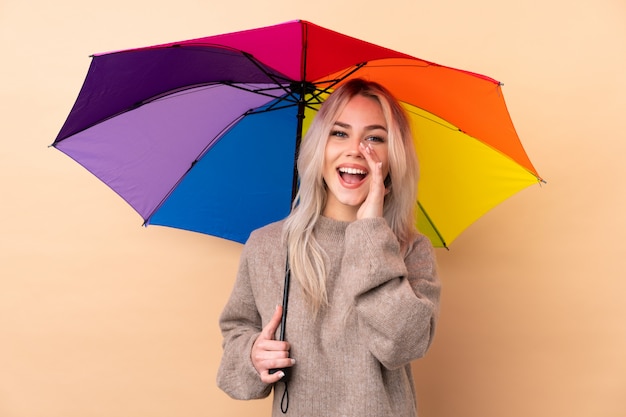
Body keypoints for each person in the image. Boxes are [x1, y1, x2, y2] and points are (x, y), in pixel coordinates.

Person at [217, 78, 441, 417]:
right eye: (339, 133)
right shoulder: (267, 246)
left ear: (393, 158)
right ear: (318, 148)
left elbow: (405, 344)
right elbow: (236, 338)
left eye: (374, 138)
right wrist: (253, 355)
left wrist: (369, 234)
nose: (355, 149)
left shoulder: (411, 250)